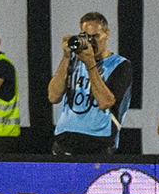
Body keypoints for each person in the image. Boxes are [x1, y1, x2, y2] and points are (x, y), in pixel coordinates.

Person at [47, 11, 134, 155]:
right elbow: (53, 97)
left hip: (98, 144)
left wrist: (90, 64)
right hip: (65, 141)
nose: (91, 42)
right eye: (87, 37)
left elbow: (106, 102)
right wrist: (66, 57)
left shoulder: (121, 65)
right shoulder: (73, 61)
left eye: (96, 36)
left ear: (107, 33)